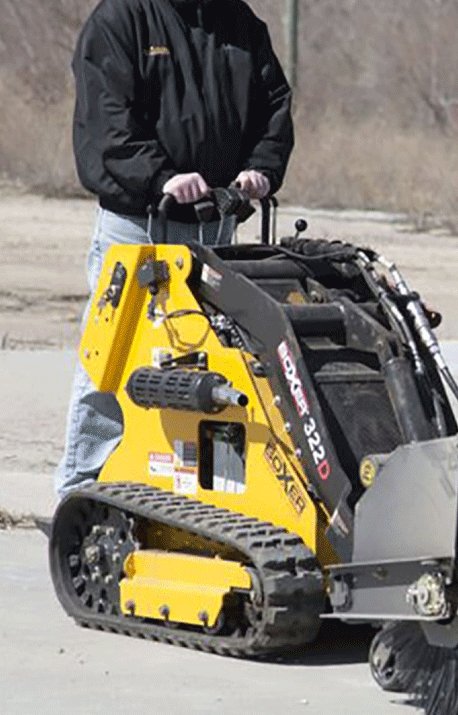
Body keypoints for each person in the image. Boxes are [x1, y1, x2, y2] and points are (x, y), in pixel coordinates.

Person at [55, 0, 294, 498]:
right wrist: (162, 177)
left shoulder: (240, 23)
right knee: (112, 360)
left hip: (216, 228)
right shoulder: (121, 20)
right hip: (138, 227)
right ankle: (81, 488)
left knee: (213, 362)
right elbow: (107, 129)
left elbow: (274, 107)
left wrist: (260, 170)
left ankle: (202, 491)